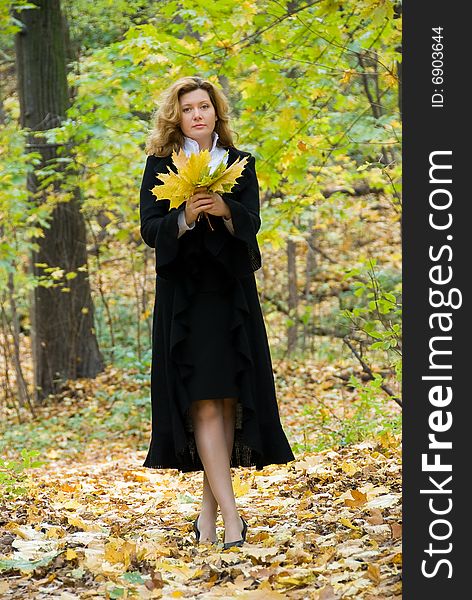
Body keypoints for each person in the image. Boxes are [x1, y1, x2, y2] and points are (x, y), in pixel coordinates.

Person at [139, 75, 295, 549]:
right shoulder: (159, 165)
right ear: (177, 116)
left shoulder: (242, 164)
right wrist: (185, 215)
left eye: (205, 106)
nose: (198, 114)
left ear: (216, 112)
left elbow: (253, 223)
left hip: (232, 297)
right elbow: (149, 230)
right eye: (189, 109)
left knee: (228, 402)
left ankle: (208, 518)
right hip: (186, 301)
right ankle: (232, 521)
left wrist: (225, 209)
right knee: (204, 400)